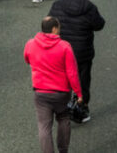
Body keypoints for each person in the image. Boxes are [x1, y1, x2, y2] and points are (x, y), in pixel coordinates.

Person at [48, 0, 105, 122]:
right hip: (82, 52)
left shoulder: (58, 4)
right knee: (82, 80)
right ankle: (82, 108)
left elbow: (50, 23)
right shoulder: (90, 7)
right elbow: (99, 25)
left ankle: (61, 106)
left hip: (60, 50)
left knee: (62, 78)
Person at [23, 16, 83, 153]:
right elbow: (72, 73)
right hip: (61, 93)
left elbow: (27, 59)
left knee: (44, 127)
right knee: (63, 119)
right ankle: (63, 150)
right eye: (59, 28)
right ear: (54, 29)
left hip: (41, 93)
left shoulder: (30, 44)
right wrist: (79, 93)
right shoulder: (64, 46)